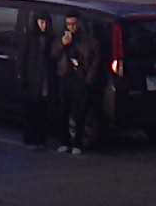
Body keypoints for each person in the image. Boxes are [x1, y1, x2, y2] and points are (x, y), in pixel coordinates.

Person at [52, 12, 101, 155]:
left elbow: (94, 59)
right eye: (68, 24)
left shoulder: (87, 40)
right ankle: (64, 141)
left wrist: (88, 79)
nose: (71, 27)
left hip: (80, 78)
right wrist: (63, 44)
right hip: (65, 77)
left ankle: (77, 143)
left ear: (78, 24)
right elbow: (53, 54)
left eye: (73, 24)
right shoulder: (61, 37)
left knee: (80, 112)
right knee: (63, 111)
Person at [16, 11, 55, 148]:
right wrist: (22, 76)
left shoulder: (51, 38)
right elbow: (22, 58)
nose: (43, 25)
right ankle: (30, 138)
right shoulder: (30, 38)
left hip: (45, 78)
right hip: (32, 78)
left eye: (45, 22)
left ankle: (40, 139)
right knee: (31, 110)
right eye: (41, 22)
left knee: (42, 111)